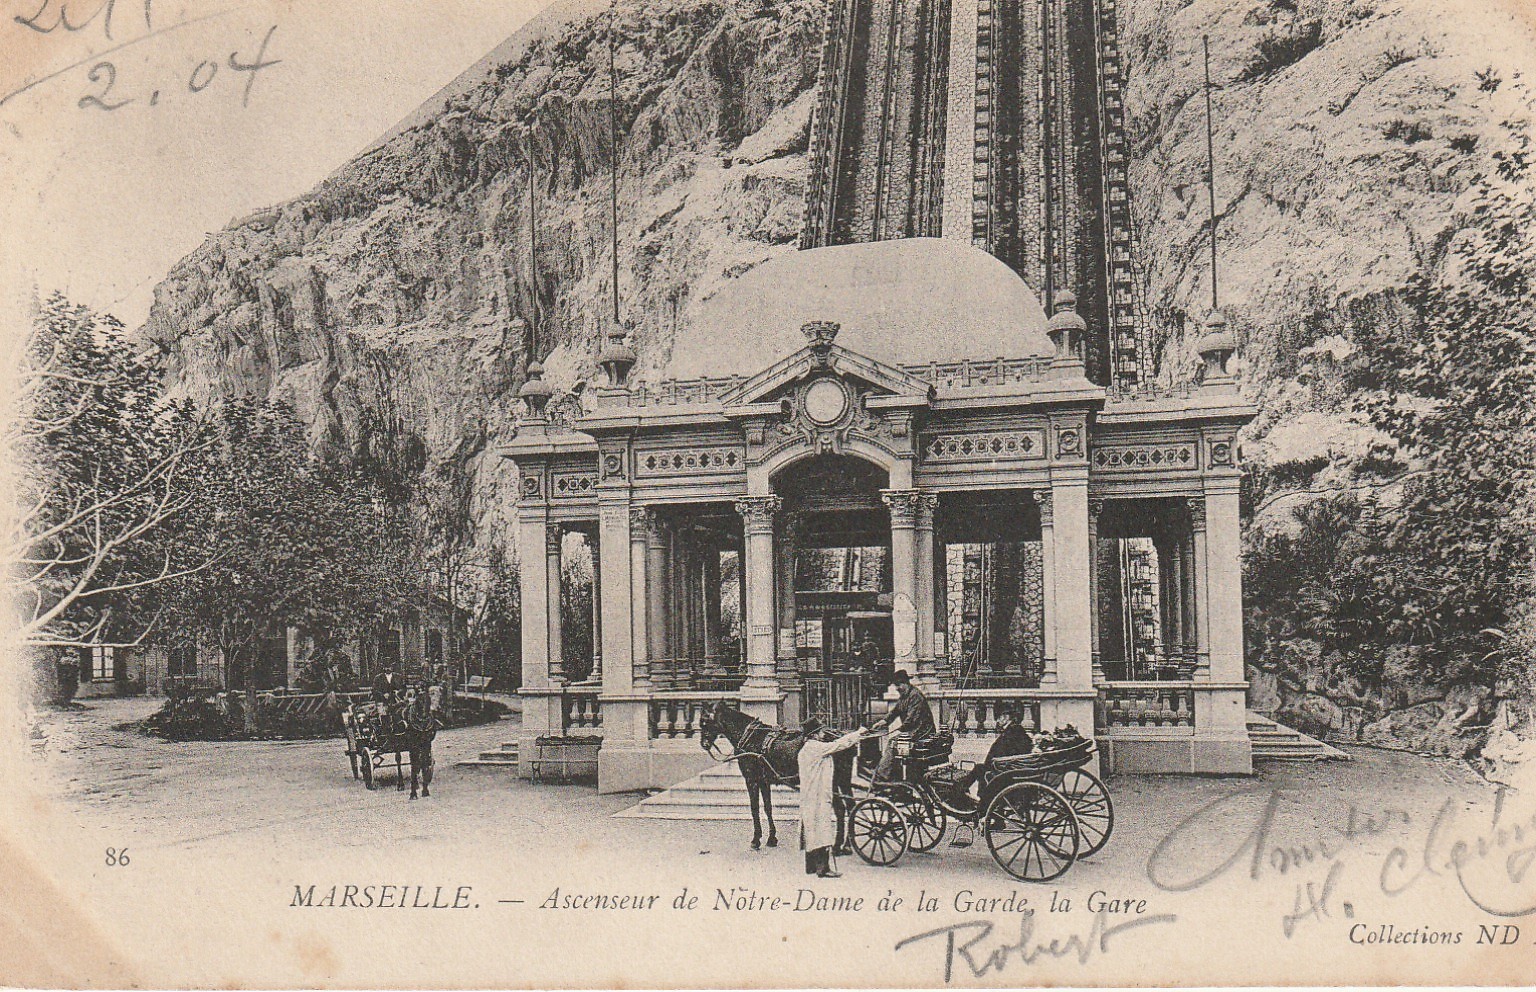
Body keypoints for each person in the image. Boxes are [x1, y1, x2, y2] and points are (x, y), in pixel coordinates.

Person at [797, 720, 865, 878]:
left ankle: (811, 866)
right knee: (822, 831)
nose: (823, 733)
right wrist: (858, 733)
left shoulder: (806, 749)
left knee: (812, 831)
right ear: (814, 734)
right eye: (821, 731)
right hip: (818, 796)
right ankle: (823, 869)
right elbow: (839, 744)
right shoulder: (816, 748)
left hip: (811, 795)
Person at [952, 706, 1033, 797]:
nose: (997, 721)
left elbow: (1003, 752)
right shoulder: (1016, 730)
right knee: (980, 769)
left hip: (1003, 769)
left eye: (998, 718)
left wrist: (992, 763)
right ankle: (966, 791)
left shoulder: (1011, 732)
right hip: (1007, 766)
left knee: (979, 769)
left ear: (1006, 718)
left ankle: (962, 792)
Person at [870, 669, 936, 781]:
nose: (896, 688)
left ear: (905, 683)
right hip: (914, 730)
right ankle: (893, 775)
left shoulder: (915, 696)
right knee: (895, 742)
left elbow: (911, 720)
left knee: (893, 743)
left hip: (922, 731)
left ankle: (883, 775)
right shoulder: (905, 695)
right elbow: (894, 712)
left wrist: (899, 729)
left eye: (898, 685)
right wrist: (882, 722)